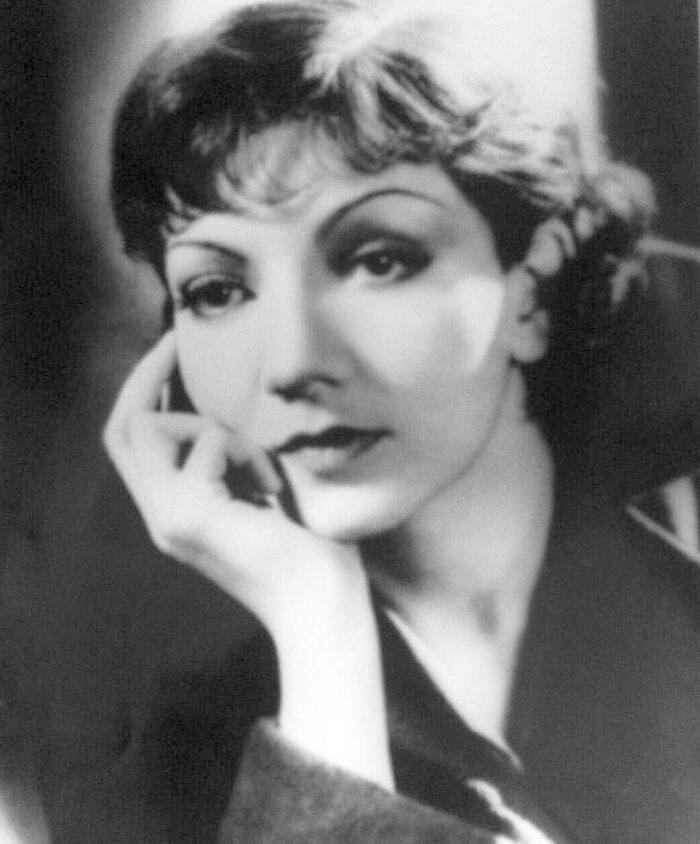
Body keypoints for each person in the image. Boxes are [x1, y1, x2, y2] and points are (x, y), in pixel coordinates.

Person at [36, 1, 700, 842]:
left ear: (531, 290)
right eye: (218, 290)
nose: (292, 362)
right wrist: (320, 625)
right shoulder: (163, 758)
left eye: (379, 259)